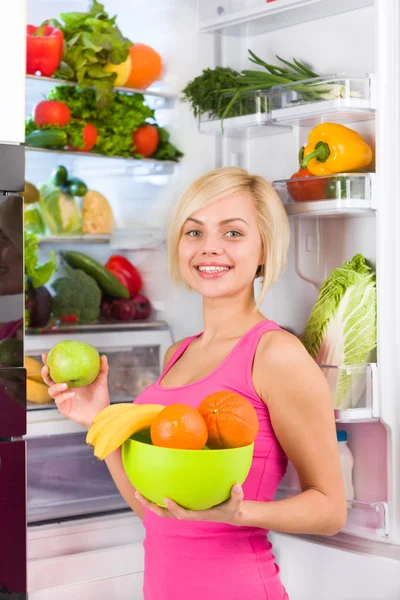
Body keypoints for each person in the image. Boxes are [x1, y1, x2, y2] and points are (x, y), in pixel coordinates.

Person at [41, 167, 347, 600]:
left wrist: (240, 512)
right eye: (194, 232)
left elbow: (330, 509)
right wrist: (101, 418)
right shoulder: (178, 354)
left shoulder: (274, 354)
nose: (210, 249)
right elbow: (155, 512)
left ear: (264, 247)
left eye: (233, 233)